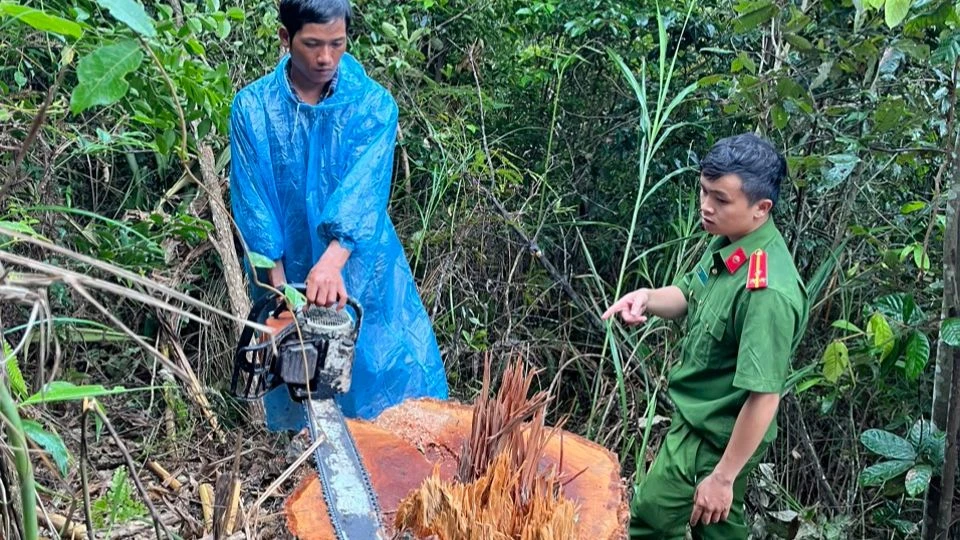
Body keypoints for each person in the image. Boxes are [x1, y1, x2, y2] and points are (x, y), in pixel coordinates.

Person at [228, 0, 448, 420]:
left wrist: (331, 265)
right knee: (300, 378)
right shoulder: (253, 109)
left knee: (383, 376)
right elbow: (254, 205)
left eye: (337, 44)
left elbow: (362, 194)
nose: (325, 57)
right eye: (312, 44)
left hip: (361, 270)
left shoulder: (373, 106)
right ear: (285, 37)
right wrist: (281, 295)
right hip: (286, 266)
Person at [602, 133, 809, 539]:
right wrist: (645, 298)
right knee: (667, 522)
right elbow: (687, 294)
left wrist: (724, 476)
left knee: (650, 523)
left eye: (720, 199)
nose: (706, 207)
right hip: (695, 426)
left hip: (717, 441)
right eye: (703, 192)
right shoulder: (730, 243)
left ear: (761, 208)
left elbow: (765, 395)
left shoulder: (766, 292)